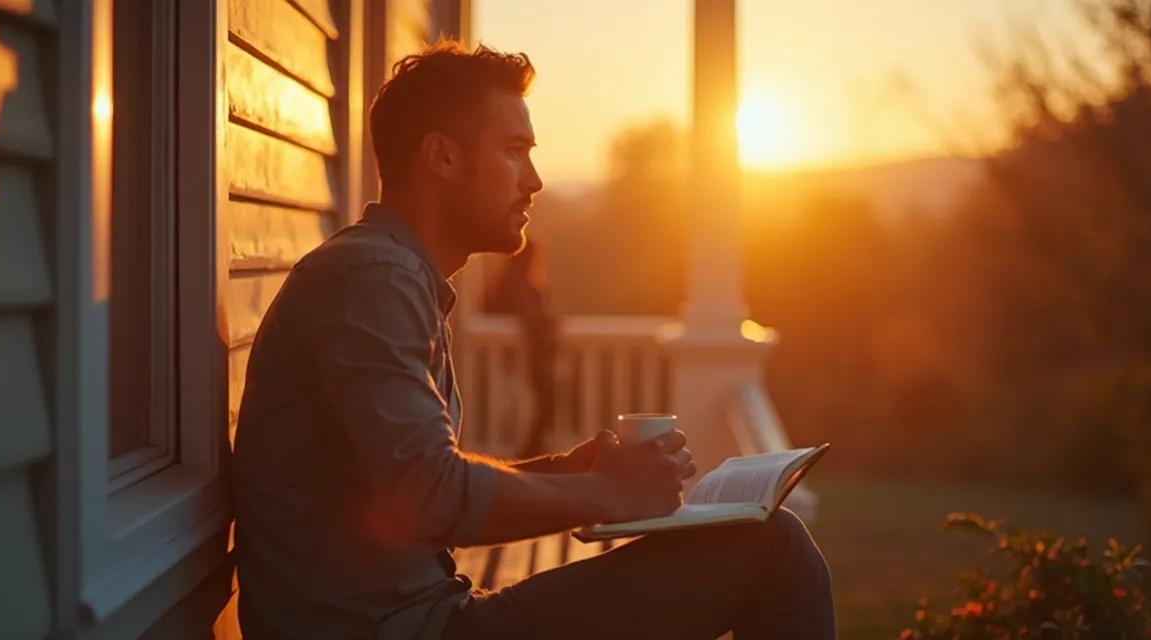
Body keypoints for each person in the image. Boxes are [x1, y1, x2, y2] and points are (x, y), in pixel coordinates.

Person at [231, 41, 835, 640]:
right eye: (514, 151)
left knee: (764, 544)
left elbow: (410, 482)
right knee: (771, 549)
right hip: (412, 630)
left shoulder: (388, 275)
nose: (536, 179)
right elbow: (428, 494)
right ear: (441, 156)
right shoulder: (372, 279)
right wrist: (605, 492)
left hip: (421, 617)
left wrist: (568, 475)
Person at [482, 240, 561, 459]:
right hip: (522, 361)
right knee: (530, 405)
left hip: (532, 361)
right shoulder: (516, 286)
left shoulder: (518, 286)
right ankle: (530, 450)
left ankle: (532, 447)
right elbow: (534, 317)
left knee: (543, 401)